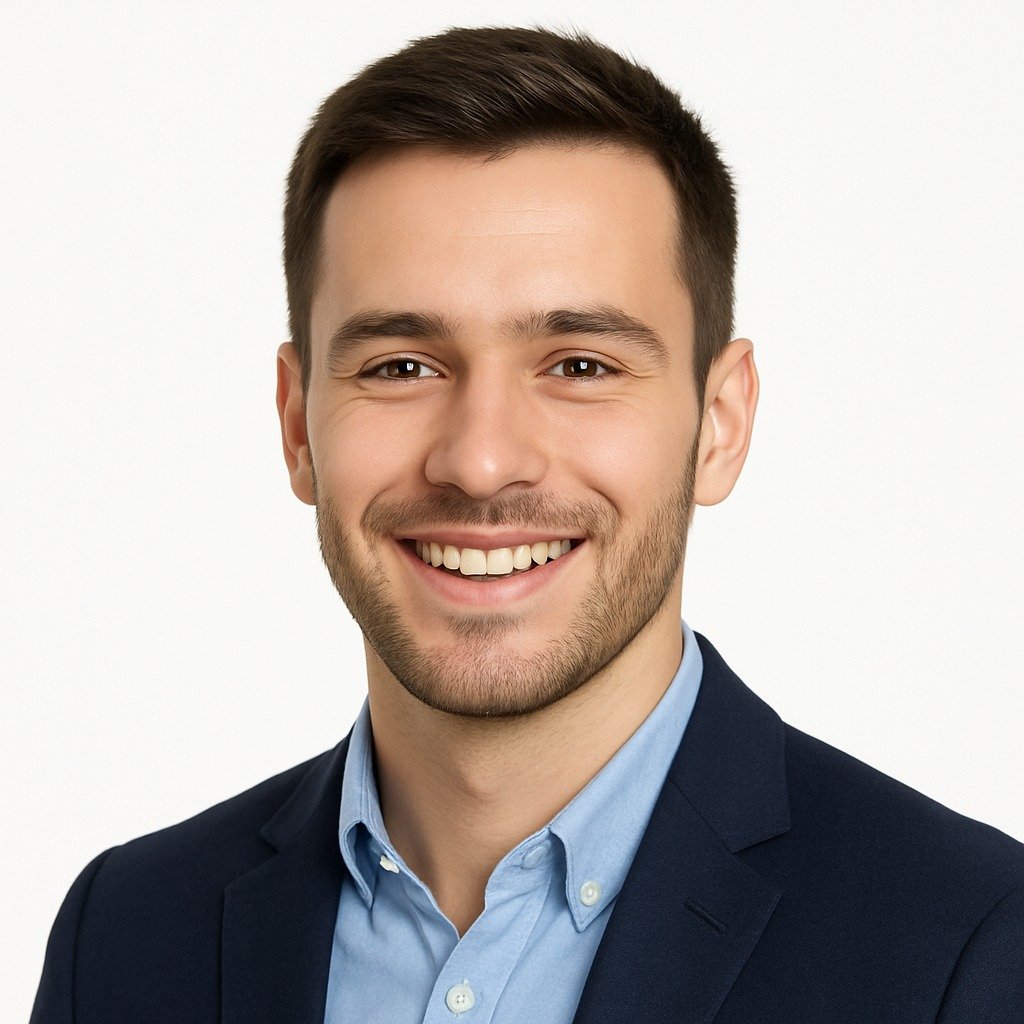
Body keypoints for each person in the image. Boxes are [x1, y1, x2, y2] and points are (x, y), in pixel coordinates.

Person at [30, 24, 1024, 1024]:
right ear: (297, 427)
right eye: (400, 367)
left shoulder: (970, 949)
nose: (480, 460)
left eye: (580, 365)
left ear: (719, 425)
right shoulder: (122, 937)